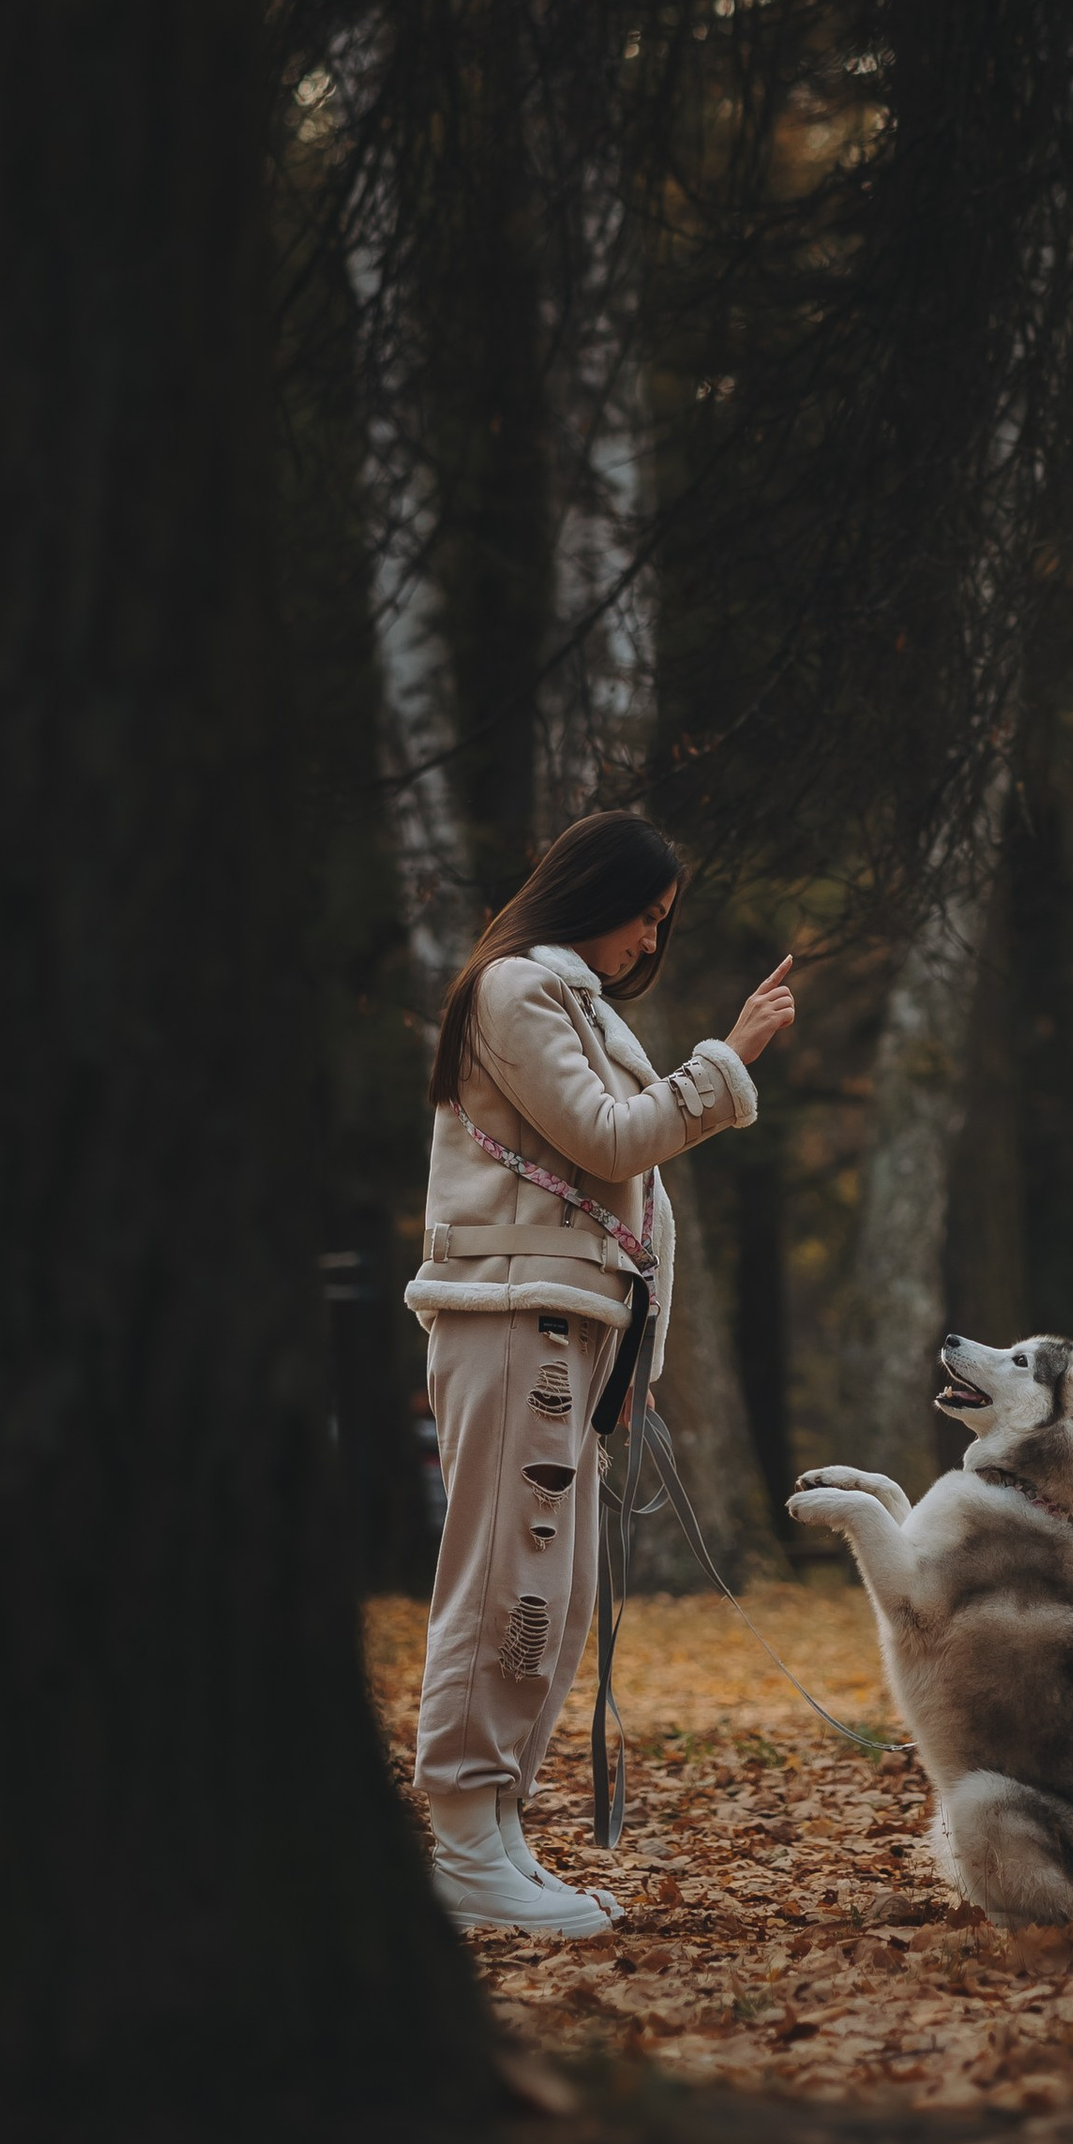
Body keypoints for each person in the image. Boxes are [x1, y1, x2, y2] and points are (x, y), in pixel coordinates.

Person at [405, 810, 795, 1934]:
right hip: (514, 1313)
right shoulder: (518, 990)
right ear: (595, 895)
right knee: (503, 1579)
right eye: (645, 916)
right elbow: (613, 1142)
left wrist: (639, 1361)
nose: (647, 943)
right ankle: (465, 1831)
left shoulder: (561, 998)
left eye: (662, 925)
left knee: (553, 1592)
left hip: (565, 1323)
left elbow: (625, 1191)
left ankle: (496, 1834)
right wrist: (730, 1059)